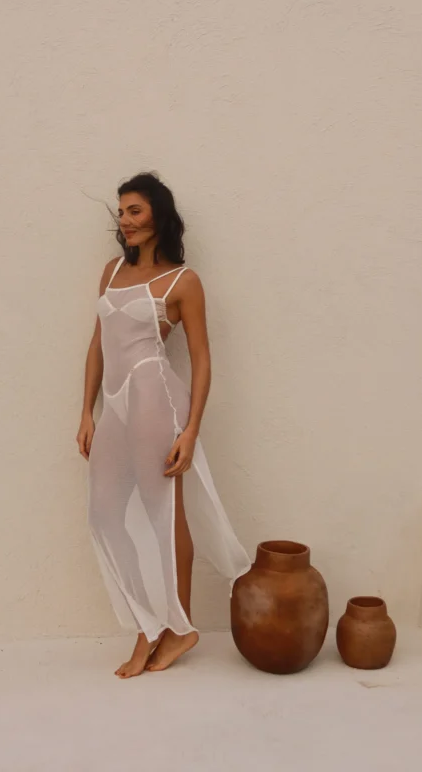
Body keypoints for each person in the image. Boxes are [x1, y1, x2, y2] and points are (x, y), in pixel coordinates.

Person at [77, 173, 250, 679]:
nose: (125, 221)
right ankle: (149, 622)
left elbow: (201, 358)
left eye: (134, 210)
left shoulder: (183, 282)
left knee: (164, 514)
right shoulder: (111, 272)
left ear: (158, 214)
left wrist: (191, 430)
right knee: (104, 514)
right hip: (114, 404)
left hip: (156, 400)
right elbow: (97, 344)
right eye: (121, 212)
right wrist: (86, 411)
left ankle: (178, 627)